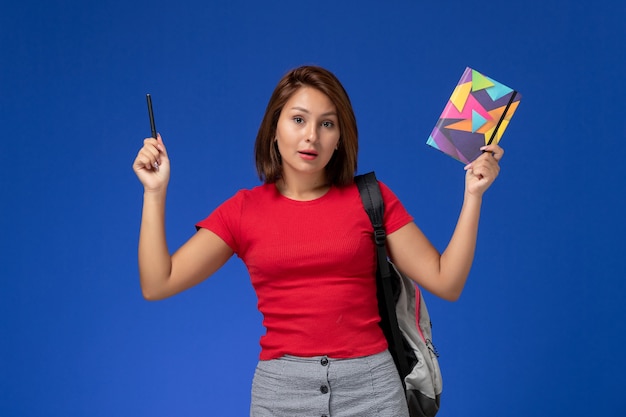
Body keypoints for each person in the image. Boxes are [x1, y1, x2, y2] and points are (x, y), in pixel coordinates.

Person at [132, 65, 503, 417]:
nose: (312, 135)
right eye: (298, 119)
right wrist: (154, 192)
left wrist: (473, 195)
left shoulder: (371, 199)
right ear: (273, 129)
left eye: (327, 124)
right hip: (281, 394)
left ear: (340, 138)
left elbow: (446, 281)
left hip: (372, 390)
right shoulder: (243, 210)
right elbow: (157, 282)